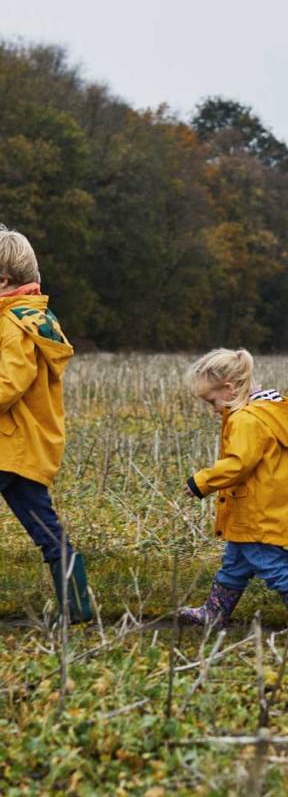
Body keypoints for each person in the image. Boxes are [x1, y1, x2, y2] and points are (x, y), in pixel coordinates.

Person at [180, 348, 288, 633]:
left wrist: (201, 482)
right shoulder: (265, 412)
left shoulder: (246, 419)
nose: (213, 410)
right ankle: (215, 612)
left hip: (258, 509)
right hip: (261, 504)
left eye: (212, 401)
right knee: (234, 564)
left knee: (274, 565)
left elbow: (238, 464)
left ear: (229, 389)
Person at [0, 227, 92, 623]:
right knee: (44, 527)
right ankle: (78, 604)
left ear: (3, 281)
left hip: (6, 445)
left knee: (44, 526)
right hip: (25, 447)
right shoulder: (38, 318)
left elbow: (8, 384)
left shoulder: (13, 325)